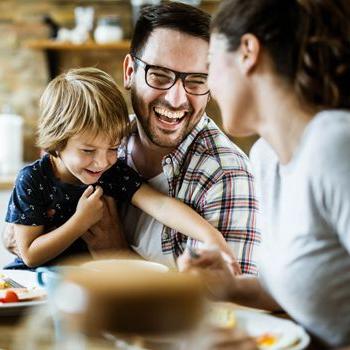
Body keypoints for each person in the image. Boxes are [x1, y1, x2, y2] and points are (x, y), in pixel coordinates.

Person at [3, 2, 260, 274]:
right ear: (129, 72)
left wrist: (114, 253)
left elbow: (224, 308)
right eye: (159, 76)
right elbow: (24, 247)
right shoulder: (109, 139)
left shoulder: (225, 175)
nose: (175, 99)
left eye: (196, 80)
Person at [179, 0, 350, 348]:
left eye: (210, 64)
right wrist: (229, 287)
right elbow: (304, 289)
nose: (209, 85)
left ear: (247, 52)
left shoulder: (335, 145)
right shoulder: (266, 158)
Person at [4, 67, 239, 270]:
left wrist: (211, 236)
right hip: (33, 283)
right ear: (56, 141)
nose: (102, 161)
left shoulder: (110, 174)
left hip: (86, 283)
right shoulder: (34, 179)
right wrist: (80, 221)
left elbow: (160, 204)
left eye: (113, 148)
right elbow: (30, 255)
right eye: (88, 151)